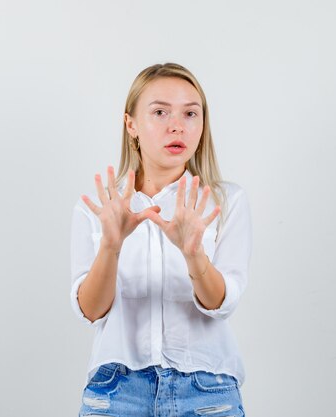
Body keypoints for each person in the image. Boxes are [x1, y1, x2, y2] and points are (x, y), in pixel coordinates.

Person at [70, 63, 252, 416]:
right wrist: (111, 245)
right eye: (159, 112)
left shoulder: (224, 201)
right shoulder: (98, 207)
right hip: (116, 391)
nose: (177, 125)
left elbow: (221, 302)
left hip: (207, 392)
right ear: (131, 124)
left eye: (190, 113)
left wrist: (193, 253)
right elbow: (91, 310)